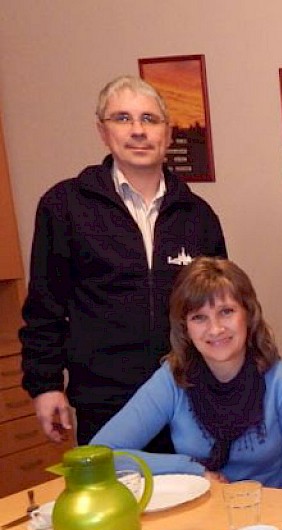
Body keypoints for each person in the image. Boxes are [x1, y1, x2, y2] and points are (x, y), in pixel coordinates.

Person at [19, 75, 227, 447]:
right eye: (122, 118)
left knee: (194, 481)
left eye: (149, 119)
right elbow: (44, 308)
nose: (138, 131)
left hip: (188, 394)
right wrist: (45, 385)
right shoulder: (66, 207)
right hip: (105, 401)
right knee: (119, 484)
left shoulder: (198, 216)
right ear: (103, 131)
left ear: (168, 133)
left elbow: (221, 307)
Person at [91, 258, 282, 491]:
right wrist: (190, 469)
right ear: (185, 327)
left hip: (271, 510)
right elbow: (99, 456)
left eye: (226, 312)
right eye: (199, 317)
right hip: (201, 508)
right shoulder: (172, 379)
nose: (215, 329)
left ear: (248, 314)